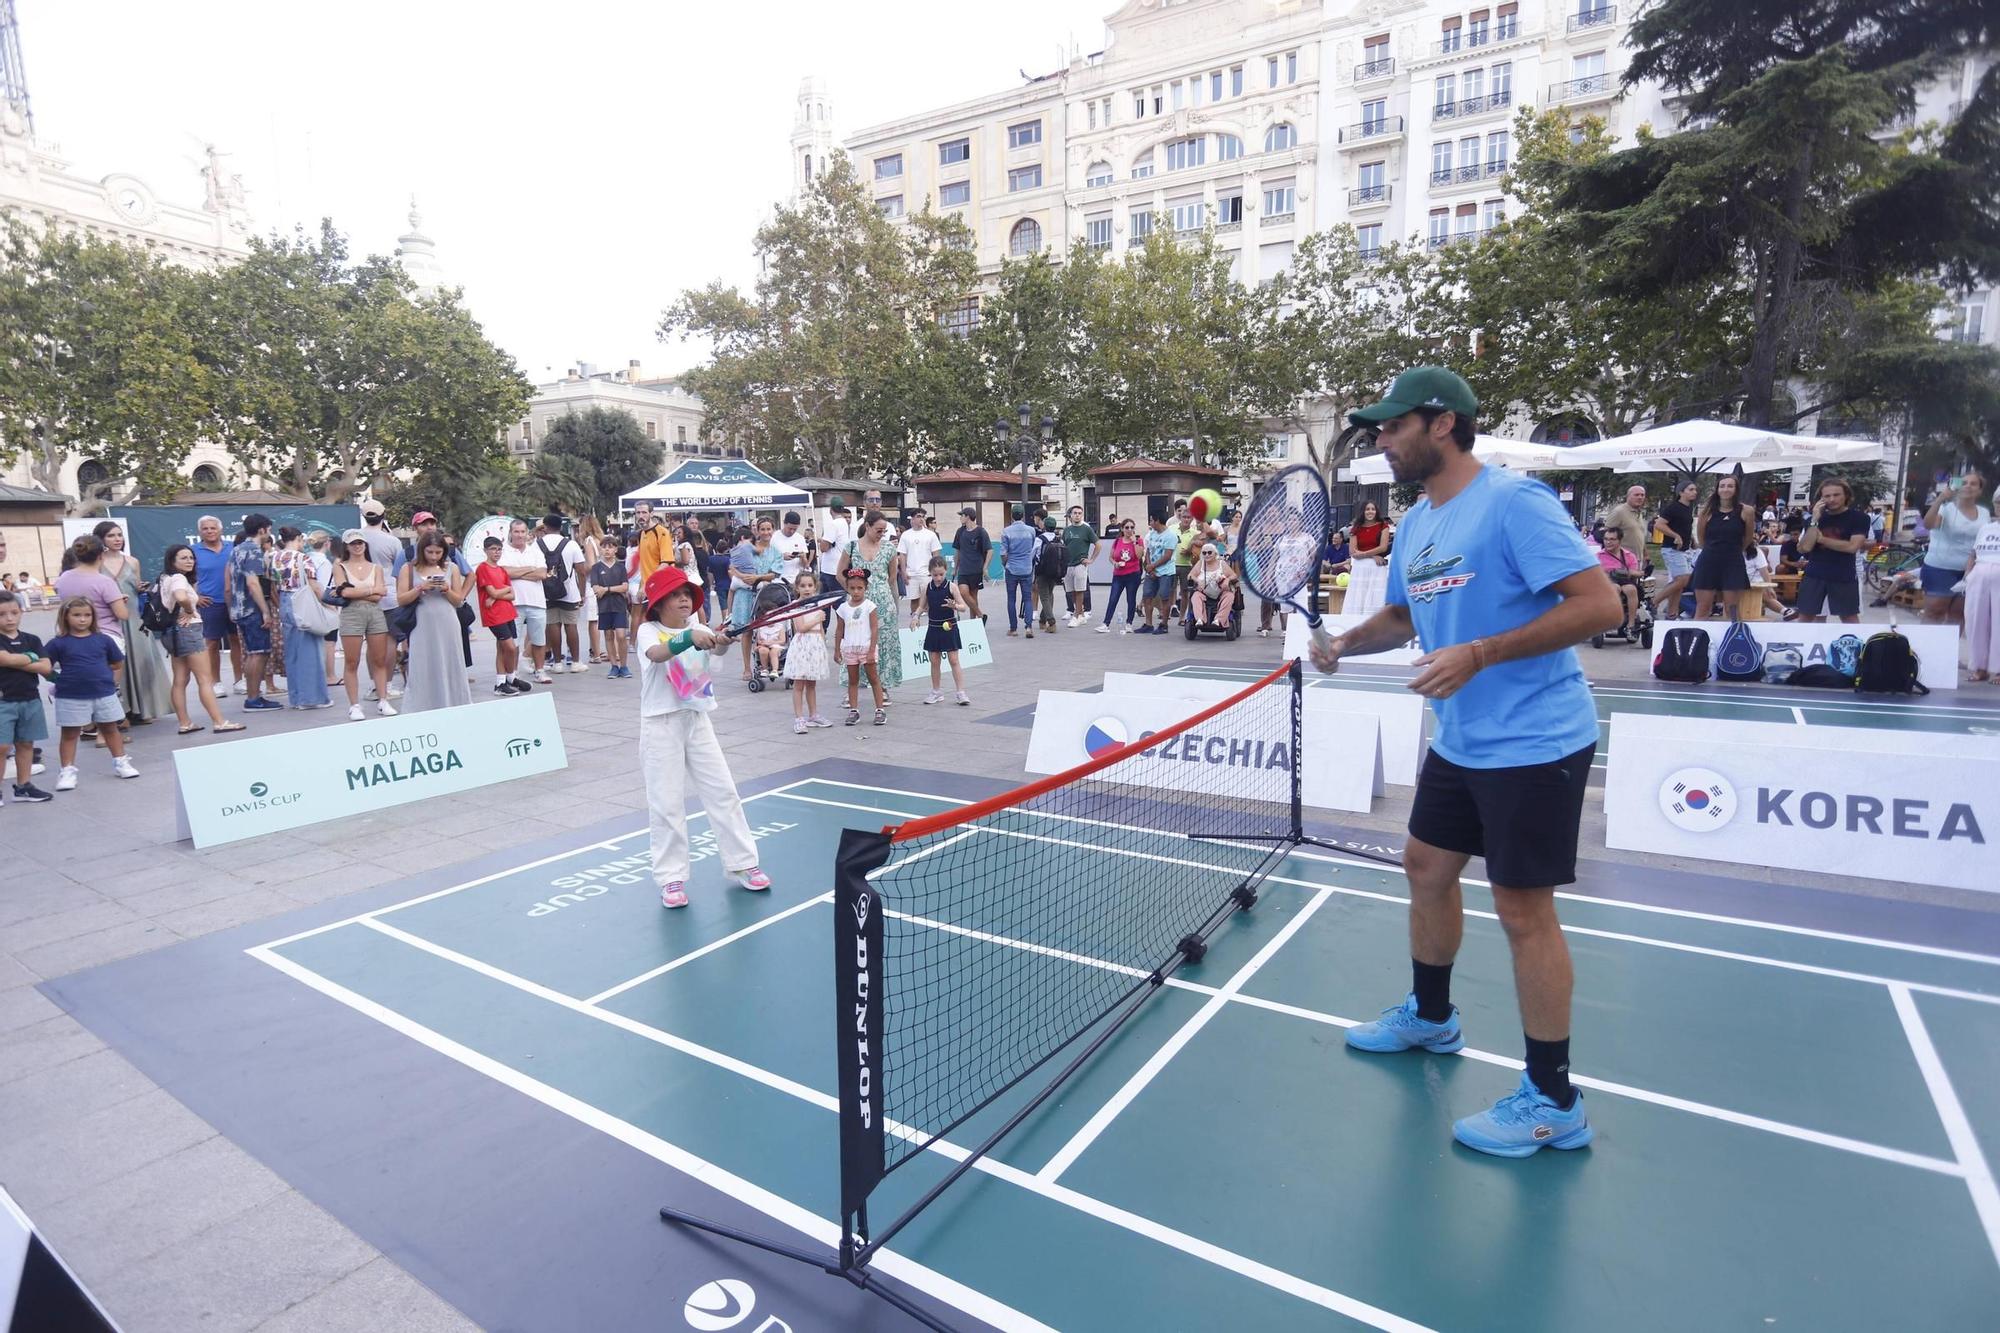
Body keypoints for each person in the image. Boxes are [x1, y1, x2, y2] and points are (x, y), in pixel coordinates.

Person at [1310, 366, 1622, 1158]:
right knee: (1424, 865)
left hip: (1536, 739)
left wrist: (1480, 652)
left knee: (1523, 910)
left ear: (1442, 423)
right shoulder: (1416, 524)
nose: (1380, 440)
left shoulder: (1515, 503)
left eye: (1391, 426)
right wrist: (1344, 643)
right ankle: (1432, 1014)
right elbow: (1402, 616)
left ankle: (1554, 1100)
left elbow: (1600, 605)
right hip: (1461, 737)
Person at [635, 565, 771, 909]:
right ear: (659, 603)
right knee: (666, 804)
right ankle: (671, 878)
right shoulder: (648, 631)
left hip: (698, 720)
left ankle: (743, 864)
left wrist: (721, 640)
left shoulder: (698, 627)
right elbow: (656, 655)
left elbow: (715, 649)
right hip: (660, 723)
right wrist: (687, 638)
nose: (684, 600)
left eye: (687, 595)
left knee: (723, 792)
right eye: (676, 596)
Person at [44, 596, 140, 789]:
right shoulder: (58, 643)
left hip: (104, 693)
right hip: (70, 696)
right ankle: (67, 771)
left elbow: (117, 662)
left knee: (110, 729)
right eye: (77, 615)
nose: (82, 619)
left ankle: (121, 761)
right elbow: (44, 665)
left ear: (93, 617)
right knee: (69, 733)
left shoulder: (103, 640)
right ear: (66, 616)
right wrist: (56, 679)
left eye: (87, 615)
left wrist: (103, 676)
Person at [156, 544, 243, 735]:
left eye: (191, 557)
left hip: (171, 631)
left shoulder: (165, 578)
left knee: (180, 679)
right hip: (189, 629)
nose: (189, 561)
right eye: (184, 558)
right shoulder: (178, 578)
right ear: (173, 561)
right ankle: (219, 721)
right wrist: (188, 609)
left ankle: (185, 723)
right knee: (205, 679)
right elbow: (180, 596)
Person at [93, 522, 172, 725]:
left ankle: (142, 709)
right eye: (111, 535)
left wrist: (141, 587)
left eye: (119, 535)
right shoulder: (96, 562)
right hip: (108, 619)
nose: (117, 539)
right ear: (101, 539)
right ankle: (119, 712)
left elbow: (136, 586)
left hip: (134, 617)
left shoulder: (132, 561)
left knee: (140, 659)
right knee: (114, 664)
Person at [837, 510, 905, 695]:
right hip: (858, 604)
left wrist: (894, 605)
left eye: (883, 531)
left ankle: (882, 687)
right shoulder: (851, 547)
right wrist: (853, 591)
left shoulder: (889, 549)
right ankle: (852, 689)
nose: (881, 534)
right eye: (878, 530)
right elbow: (840, 573)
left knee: (882, 644)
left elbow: (892, 579)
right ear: (867, 526)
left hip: (883, 603)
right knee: (854, 642)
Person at [332, 530, 398, 719]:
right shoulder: (340, 566)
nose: (358, 546)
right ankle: (354, 704)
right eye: (353, 543)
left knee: (379, 659)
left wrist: (358, 591)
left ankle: (383, 699)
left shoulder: (375, 567)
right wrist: (371, 590)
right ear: (347, 546)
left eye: (360, 543)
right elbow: (344, 592)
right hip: (351, 613)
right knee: (352, 661)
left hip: (374, 612)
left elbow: (380, 594)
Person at [0, 591, 56, 803]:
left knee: (26, 743)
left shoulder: (31, 639)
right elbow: (4, 659)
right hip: (3, 700)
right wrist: (31, 659)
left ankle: (23, 786)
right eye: (2, 614)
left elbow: (46, 667)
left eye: (14, 612)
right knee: (2, 746)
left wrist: (22, 659)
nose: (9, 618)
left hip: (30, 698)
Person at [270, 527, 333, 711]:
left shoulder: (274, 557)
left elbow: (273, 587)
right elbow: (315, 586)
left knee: (293, 653)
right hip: (302, 603)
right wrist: (329, 605)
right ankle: (312, 698)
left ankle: (296, 697)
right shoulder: (303, 558)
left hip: (284, 602)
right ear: (298, 538)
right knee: (310, 651)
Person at [1794, 478, 1872, 625]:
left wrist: (1823, 540)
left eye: (1837, 495)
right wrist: (1815, 519)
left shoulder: (1859, 518)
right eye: (1827, 496)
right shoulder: (1814, 519)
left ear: (1846, 496)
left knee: (1849, 617)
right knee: (1805, 616)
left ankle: (1856, 645)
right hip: (1814, 574)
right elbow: (1804, 548)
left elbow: (1852, 547)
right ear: (1821, 499)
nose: (1832, 499)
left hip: (1843, 574)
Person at [225, 514, 281, 712]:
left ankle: (253, 696)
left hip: (240, 609)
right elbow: (252, 583)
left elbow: (229, 585)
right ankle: (253, 698)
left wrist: (231, 608)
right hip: (252, 608)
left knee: (251, 654)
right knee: (259, 653)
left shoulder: (237, 550)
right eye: (269, 529)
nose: (270, 533)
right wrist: (265, 611)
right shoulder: (254, 551)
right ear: (262, 530)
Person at [1920, 473, 1989, 625]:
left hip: (1969, 572)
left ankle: (1949, 648)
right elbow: (1928, 525)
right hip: (1940, 568)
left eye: (1973, 484)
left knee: (1959, 615)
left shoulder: (1984, 513)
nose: (1968, 486)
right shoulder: (1946, 509)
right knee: (1935, 611)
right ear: (1957, 486)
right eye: (1964, 482)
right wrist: (1940, 499)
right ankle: (1927, 646)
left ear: (1979, 490)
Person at [1690, 476, 1755, 622]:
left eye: (1730, 486)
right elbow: (1701, 539)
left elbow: (1748, 538)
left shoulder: (1746, 511)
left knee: (1732, 609)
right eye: (1722, 486)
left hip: (1733, 561)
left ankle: (1734, 641)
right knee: (1703, 608)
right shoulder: (1706, 511)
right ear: (1717, 489)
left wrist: (1734, 550)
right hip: (1709, 560)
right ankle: (1697, 640)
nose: (1726, 489)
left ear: (1736, 489)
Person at [497, 519, 554, 685]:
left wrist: (517, 572)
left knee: (538, 639)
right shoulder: (504, 552)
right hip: (513, 603)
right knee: (512, 642)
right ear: (510, 533)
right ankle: (512, 674)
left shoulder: (535, 551)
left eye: (522, 532)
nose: (520, 535)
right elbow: (504, 572)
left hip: (536, 601)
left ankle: (540, 671)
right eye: (516, 531)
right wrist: (530, 569)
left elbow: (542, 574)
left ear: (527, 533)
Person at [190, 515, 243, 694]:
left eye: (213, 528)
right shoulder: (193, 551)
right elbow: (185, 576)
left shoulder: (233, 547)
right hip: (209, 603)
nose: (209, 531)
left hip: (234, 601)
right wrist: (195, 596)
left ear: (220, 530)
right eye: (205, 528)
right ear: (200, 532)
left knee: (237, 640)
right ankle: (216, 683)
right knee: (212, 643)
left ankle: (239, 681)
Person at [728, 517, 783, 680]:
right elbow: (733, 568)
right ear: (757, 531)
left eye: (769, 529)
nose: (766, 532)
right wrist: (744, 576)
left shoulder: (776, 552)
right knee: (746, 630)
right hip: (744, 593)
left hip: (763, 594)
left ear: (773, 530)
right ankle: (746, 668)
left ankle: (765, 663)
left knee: (765, 628)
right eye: (762, 529)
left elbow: (775, 573)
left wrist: (758, 578)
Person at [534, 515, 589, 674]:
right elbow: (581, 571)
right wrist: (582, 593)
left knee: (553, 626)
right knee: (571, 625)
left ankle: (557, 663)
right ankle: (575, 662)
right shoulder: (571, 544)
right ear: (561, 526)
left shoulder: (537, 545)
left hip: (546, 592)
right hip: (569, 592)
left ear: (545, 527)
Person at [473, 536, 527, 695]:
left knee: (503, 648)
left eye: (499, 549)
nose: (496, 552)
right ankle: (505, 680)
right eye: (493, 549)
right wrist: (498, 593)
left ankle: (505, 680)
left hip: (508, 612)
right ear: (485, 551)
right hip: (494, 615)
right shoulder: (483, 568)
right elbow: (493, 591)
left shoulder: (502, 570)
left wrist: (496, 595)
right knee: (509, 647)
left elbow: (512, 595)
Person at [916, 555, 972, 705]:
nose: (938, 577)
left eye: (941, 574)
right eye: (935, 575)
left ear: (946, 571)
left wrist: (954, 606)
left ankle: (961, 692)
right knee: (934, 661)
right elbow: (921, 606)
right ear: (930, 573)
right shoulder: (927, 587)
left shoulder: (952, 587)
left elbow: (963, 607)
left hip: (949, 627)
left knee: (954, 660)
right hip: (933, 626)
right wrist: (915, 616)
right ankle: (936, 692)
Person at [834, 566, 887, 725]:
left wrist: (872, 650)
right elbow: (839, 629)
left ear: (866, 588)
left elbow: (874, 628)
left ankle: (880, 709)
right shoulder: (843, 608)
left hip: (865, 647)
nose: (856, 591)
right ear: (847, 588)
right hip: (850, 648)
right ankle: (853, 710)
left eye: (859, 588)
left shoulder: (869, 606)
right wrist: (837, 650)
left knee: (873, 678)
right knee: (852, 680)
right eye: (852, 588)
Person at [783, 571, 832, 731]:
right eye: (803, 586)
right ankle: (799, 717)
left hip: (816, 643)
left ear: (815, 587)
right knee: (799, 683)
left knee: (812, 683)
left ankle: (813, 714)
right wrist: (817, 619)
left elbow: (821, 629)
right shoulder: (796, 605)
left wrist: (823, 643)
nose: (807, 589)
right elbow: (801, 627)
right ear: (797, 587)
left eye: (810, 585)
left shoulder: (818, 603)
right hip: (803, 644)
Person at [1649, 479, 1698, 619]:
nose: (1694, 492)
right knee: (1682, 580)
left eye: (1695, 489)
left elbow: (1685, 528)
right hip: (1672, 549)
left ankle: (1672, 613)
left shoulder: (1688, 508)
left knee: (1679, 583)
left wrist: (1692, 540)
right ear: (1681, 492)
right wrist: (1675, 535)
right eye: (1690, 489)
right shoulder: (1673, 507)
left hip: (1684, 550)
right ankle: (1654, 601)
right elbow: (1659, 524)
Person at [587, 536, 631, 679]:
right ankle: (613, 666)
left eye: (610, 547)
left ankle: (624, 665)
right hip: (604, 607)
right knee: (608, 635)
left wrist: (607, 589)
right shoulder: (596, 568)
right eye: (604, 547)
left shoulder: (620, 567)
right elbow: (595, 588)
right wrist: (606, 589)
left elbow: (624, 587)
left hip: (619, 606)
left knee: (621, 635)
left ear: (616, 549)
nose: (607, 550)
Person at [1964, 509, 2000, 682]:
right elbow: (1973, 553)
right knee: (1976, 621)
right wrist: (1968, 576)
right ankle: (1980, 667)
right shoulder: (1986, 528)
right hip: (1979, 575)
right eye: (1998, 502)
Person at [896, 511, 942, 625]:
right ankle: (915, 625)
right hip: (911, 574)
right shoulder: (906, 535)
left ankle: (933, 624)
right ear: (912, 519)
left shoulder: (930, 535)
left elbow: (936, 554)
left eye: (923, 517)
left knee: (930, 600)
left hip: (927, 574)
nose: (921, 519)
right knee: (914, 600)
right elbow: (902, 555)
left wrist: (936, 573)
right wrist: (903, 572)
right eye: (918, 517)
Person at [1097, 518, 1142, 633]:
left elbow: (1139, 556)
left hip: (1133, 574)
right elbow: (1111, 557)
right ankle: (1106, 623)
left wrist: (1134, 542)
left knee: (1130, 599)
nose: (1129, 530)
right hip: (1118, 574)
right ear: (1122, 529)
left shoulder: (1138, 540)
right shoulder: (1118, 541)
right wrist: (1115, 563)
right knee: (1113, 599)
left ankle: (1129, 623)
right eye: (1127, 527)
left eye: (1132, 527)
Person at [999, 504, 1037, 637]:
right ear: (1023, 515)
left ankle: (1013, 628)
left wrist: (1005, 564)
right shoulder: (1031, 530)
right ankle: (1028, 627)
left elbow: (1003, 553)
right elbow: (1032, 547)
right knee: (1027, 598)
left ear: (1012, 516)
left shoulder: (1006, 531)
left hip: (1012, 568)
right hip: (1027, 568)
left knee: (1011, 599)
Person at [1595, 527, 1642, 630]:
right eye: (1606, 539)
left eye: (1612, 539)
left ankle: (1631, 624)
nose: (1608, 542)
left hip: (1625, 580)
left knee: (1631, 589)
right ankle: (1610, 618)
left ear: (1619, 540)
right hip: (1608, 582)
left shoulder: (1629, 556)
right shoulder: (1598, 556)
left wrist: (1636, 573)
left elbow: (1634, 572)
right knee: (1615, 588)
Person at [1140, 511, 1177, 634]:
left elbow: (1167, 555)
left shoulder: (1170, 536)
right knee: (1147, 596)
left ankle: (1164, 624)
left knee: (1164, 597)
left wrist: (1153, 566)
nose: (1150, 523)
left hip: (1166, 572)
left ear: (1157, 521)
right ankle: (1148, 624)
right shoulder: (1151, 534)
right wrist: (1150, 567)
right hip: (1152, 571)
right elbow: (1149, 551)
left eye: (1151, 520)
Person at [953, 507, 991, 624]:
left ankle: (973, 623)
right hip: (963, 569)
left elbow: (990, 550)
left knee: (973, 596)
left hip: (976, 568)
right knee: (963, 592)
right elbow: (958, 551)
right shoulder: (960, 531)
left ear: (968, 516)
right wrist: (955, 568)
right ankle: (980, 615)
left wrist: (985, 568)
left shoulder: (981, 532)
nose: (960, 518)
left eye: (962, 515)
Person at [1188, 543, 1237, 627]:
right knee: (1195, 596)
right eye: (1204, 553)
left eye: (1209, 552)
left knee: (1229, 596)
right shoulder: (1201, 563)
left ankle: (1218, 620)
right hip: (1204, 591)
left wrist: (1227, 580)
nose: (1207, 555)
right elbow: (1190, 575)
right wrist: (1198, 581)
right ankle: (1199, 619)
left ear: (1215, 554)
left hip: (1221, 591)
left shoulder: (1222, 564)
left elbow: (1234, 575)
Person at [1033, 511, 1066, 633]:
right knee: (1049, 594)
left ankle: (1051, 622)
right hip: (1055, 572)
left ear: (1045, 526)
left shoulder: (1039, 539)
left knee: (1044, 596)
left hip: (1042, 571)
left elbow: (1033, 554)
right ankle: (1042, 621)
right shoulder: (1059, 540)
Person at [1601, 484, 1650, 559]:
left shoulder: (1638, 513)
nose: (1640, 497)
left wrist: (1645, 553)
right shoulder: (1619, 512)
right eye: (1636, 495)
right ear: (1628, 496)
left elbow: (1639, 536)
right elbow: (1606, 533)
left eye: (1642, 495)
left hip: (1637, 559)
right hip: (1622, 559)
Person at [357, 501, 403, 569]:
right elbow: (400, 567)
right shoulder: (393, 541)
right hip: (387, 579)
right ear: (384, 515)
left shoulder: (353, 537)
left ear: (364, 516)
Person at [817, 499, 852, 583]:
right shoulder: (844, 523)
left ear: (830, 509)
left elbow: (823, 548)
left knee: (827, 596)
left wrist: (822, 541)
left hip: (830, 570)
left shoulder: (833, 524)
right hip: (840, 568)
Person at [773, 510, 809, 587]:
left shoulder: (800, 538)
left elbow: (805, 565)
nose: (792, 531)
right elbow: (766, 559)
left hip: (795, 581)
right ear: (784, 523)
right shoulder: (774, 537)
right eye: (789, 528)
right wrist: (781, 557)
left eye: (795, 529)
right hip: (778, 580)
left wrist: (803, 558)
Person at [1351, 500, 1393, 565]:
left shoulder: (1383, 526)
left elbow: (1383, 548)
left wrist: (1363, 554)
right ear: (1363, 512)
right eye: (1367, 509)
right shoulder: (1355, 528)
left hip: (1378, 564)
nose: (1370, 511)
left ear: (1376, 512)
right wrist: (1372, 556)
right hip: (1360, 565)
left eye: (1373, 509)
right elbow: (1353, 552)